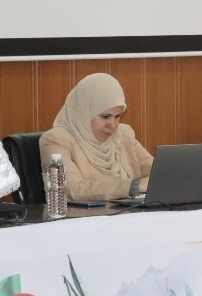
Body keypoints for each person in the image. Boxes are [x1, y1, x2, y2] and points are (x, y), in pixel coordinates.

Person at [39, 73, 153, 203]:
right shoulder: (56, 140)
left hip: (131, 213)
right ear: (83, 112)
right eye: (105, 116)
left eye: (117, 116)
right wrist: (134, 186)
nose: (113, 125)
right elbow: (71, 190)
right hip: (83, 215)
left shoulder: (124, 135)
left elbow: (158, 173)